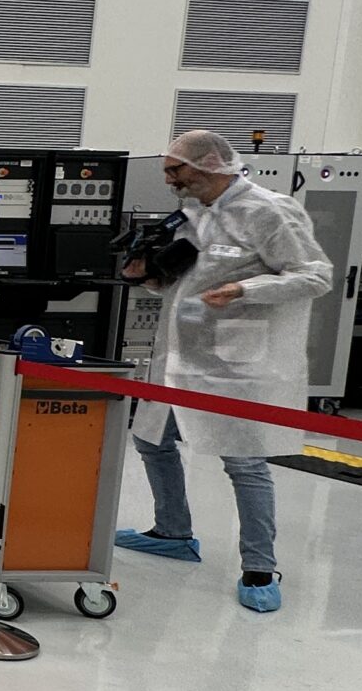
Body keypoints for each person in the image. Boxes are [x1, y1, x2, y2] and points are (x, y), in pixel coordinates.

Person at [115, 130, 333, 614]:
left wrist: (245, 290)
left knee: (244, 462)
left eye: (176, 170)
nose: (169, 180)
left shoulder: (269, 211)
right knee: (152, 440)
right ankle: (173, 532)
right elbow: (183, 283)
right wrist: (147, 277)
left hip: (234, 365)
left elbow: (315, 276)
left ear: (210, 164)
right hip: (178, 357)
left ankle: (260, 567)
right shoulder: (195, 214)